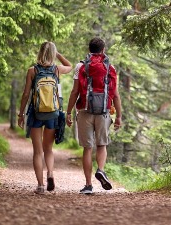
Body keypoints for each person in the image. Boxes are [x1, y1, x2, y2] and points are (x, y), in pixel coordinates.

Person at [66, 37, 122, 194]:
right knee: (102, 145)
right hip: (103, 111)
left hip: (84, 110)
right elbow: (115, 94)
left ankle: (88, 185)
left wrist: (68, 111)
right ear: (103, 50)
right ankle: (101, 170)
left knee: (87, 148)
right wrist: (118, 116)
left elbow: (75, 91)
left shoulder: (80, 66)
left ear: (89, 49)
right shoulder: (110, 67)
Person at [18, 41, 72, 194]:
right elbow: (69, 65)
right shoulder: (57, 69)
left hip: (36, 113)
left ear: (40, 52)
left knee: (37, 151)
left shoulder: (32, 71)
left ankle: (40, 186)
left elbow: (26, 94)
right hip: (53, 114)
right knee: (48, 149)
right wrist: (58, 54)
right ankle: (50, 174)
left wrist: (21, 114)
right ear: (53, 54)